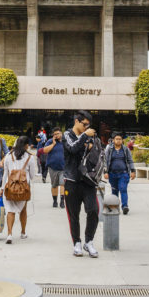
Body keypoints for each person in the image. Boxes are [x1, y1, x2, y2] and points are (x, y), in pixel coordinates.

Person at [63, 110, 100, 258]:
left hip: (88, 181)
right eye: (84, 124)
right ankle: (76, 243)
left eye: (88, 125)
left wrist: (92, 146)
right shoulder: (67, 135)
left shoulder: (91, 136)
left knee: (93, 210)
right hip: (71, 180)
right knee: (74, 215)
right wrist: (85, 137)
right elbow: (72, 148)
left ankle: (89, 241)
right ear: (76, 121)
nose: (86, 127)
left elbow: (97, 154)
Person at [0, 135, 39, 244]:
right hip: (23, 189)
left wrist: (2, 188)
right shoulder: (30, 157)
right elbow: (31, 176)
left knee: (10, 211)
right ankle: (23, 232)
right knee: (23, 210)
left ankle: (9, 234)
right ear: (27, 146)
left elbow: (5, 174)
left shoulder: (8, 155)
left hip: (9, 187)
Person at [104, 133, 135, 214]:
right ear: (113, 140)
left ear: (122, 140)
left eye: (120, 139)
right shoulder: (109, 149)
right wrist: (105, 172)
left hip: (123, 174)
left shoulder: (125, 149)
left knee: (123, 188)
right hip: (112, 174)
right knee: (114, 191)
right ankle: (115, 207)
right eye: (116, 139)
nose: (118, 140)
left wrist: (133, 171)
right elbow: (105, 161)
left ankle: (125, 206)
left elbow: (130, 160)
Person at [44, 127, 65, 208]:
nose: (56, 135)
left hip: (63, 167)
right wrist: (53, 144)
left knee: (62, 184)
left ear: (61, 133)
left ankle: (62, 201)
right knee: (54, 185)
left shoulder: (65, 141)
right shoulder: (50, 141)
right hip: (53, 167)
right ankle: (55, 201)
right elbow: (45, 151)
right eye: (54, 134)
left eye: (58, 134)